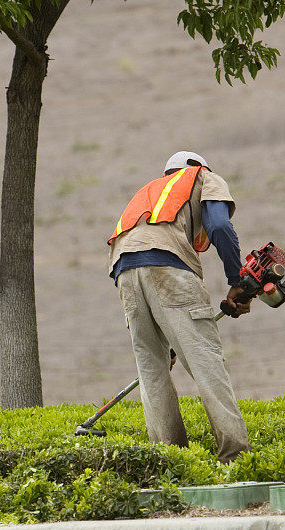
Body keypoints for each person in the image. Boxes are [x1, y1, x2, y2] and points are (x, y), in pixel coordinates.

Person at [107, 151, 251, 463]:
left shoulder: (148, 191)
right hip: (167, 267)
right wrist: (236, 279)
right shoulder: (201, 176)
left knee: (152, 372)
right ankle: (236, 456)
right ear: (199, 167)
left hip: (124, 273)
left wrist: (171, 339)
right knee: (205, 362)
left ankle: (173, 463)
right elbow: (221, 228)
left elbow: (145, 255)